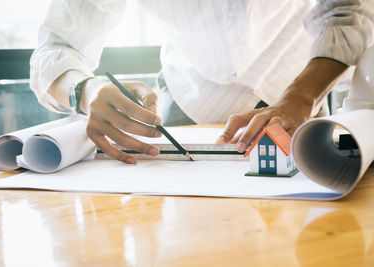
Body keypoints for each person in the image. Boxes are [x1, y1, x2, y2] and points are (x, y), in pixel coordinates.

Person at [30, 0, 374, 164]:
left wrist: (301, 96)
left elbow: (349, 11)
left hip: (304, 93)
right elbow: (58, 46)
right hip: (186, 104)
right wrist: (85, 90)